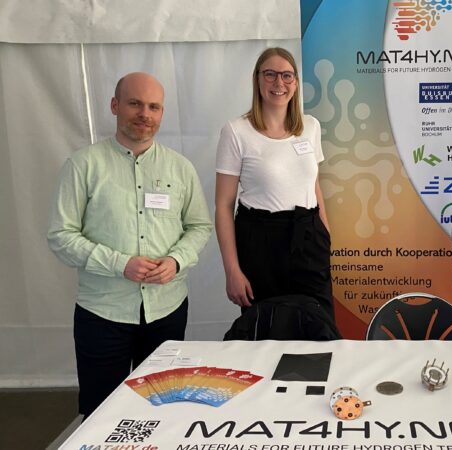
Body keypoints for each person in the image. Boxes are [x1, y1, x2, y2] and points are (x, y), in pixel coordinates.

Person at [47, 72, 212, 417]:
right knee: (101, 412)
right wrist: (118, 263)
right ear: (115, 105)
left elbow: (199, 227)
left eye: (154, 107)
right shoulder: (83, 165)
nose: (145, 114)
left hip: (166, 311)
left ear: (162, 113)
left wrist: (177, 261)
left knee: (165, 408)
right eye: (135, 103)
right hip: (103, 313)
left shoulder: (180, 168)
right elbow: (61, 236)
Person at [215, 47, 334, 323]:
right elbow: (223, 206)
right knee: (266, 328)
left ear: (295, 82)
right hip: (260, 242)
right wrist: (231, 270)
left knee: (318, 327)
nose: (279, 83)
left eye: (287, 75)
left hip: (308, 235)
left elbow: (314, 185)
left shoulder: (311, 126)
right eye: (270, 74)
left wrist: (324, 233)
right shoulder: (236, 131)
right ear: (257, 79)